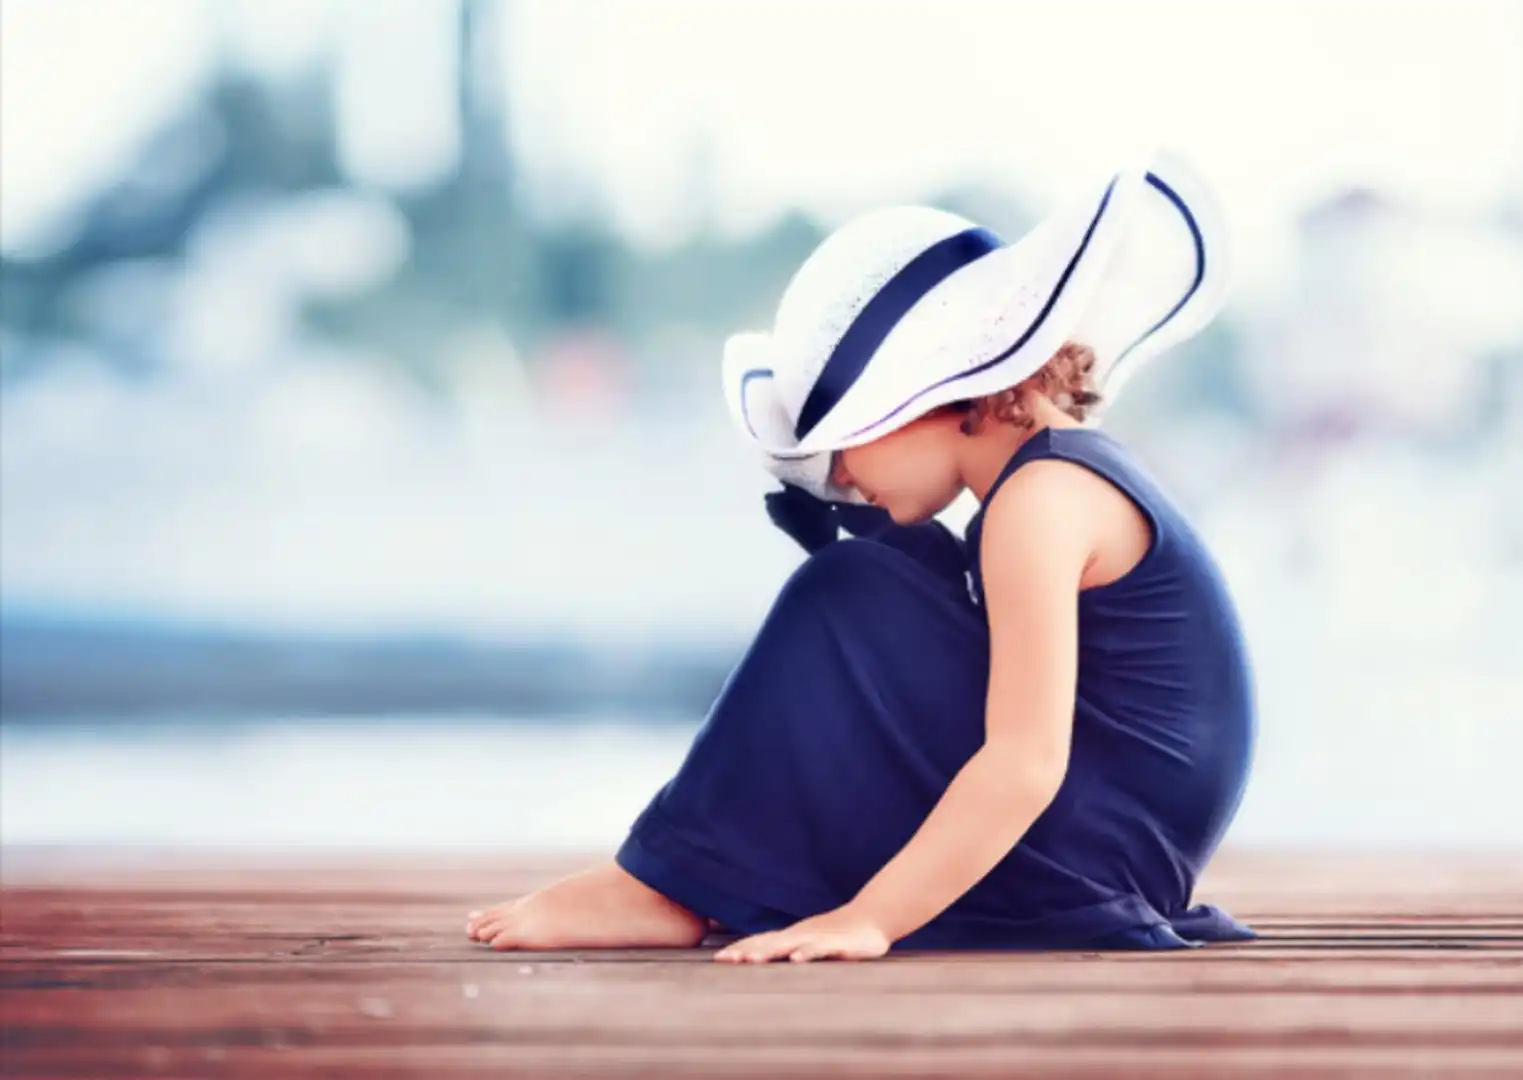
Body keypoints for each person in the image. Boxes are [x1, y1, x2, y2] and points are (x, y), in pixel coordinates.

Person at [466, 150, 1258, 961]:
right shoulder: (1052, 477)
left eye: (842, 444)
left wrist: (870, 918)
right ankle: (680, 880)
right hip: (1115, 832)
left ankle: (670, 883)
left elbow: (1024, 762)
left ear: (934, 396)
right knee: (871, 576)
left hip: (1100, 852)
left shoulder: (1038, 504)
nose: (838, 478)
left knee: (845, 589)